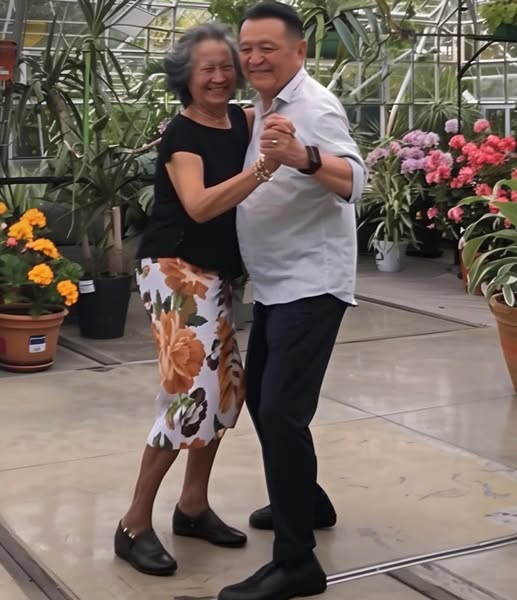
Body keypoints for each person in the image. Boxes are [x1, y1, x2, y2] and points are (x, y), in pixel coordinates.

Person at [114, 22, 293, 577]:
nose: (219, 76)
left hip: (214, 272)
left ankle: (192, 507)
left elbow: (282, 111)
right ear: (185, 79)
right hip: (174, 271)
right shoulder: (182, 133)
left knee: (224, 392)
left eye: (225, 66)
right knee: (189, 394)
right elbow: (197, 205)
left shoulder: (241, 119)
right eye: (206, 69)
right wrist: (264, 168)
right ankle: (133, 524)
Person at [218, 3, 367, 599]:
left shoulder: (314, 106)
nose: (254, 58)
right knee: (263, 401)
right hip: (278, 283)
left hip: (312, 283)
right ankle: (308, 501)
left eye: (268, 48)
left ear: (299, 52)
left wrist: (304, 157)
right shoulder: (263, 103)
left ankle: (297, 562)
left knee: (281, 411)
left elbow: (355, 180)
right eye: (246, 48)